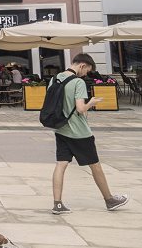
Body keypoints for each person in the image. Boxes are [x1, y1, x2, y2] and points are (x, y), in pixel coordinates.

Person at [50, 53, 129, 215]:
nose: (85, 74)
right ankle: (109, 200)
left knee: (60, 165)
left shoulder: (55, 79)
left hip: (61, 129)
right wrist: (90, 103)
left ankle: (57, 204)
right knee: (95, 165)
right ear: (82, 65)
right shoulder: (78, 82)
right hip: (80, 133)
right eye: (86, 71)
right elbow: (80, 108)